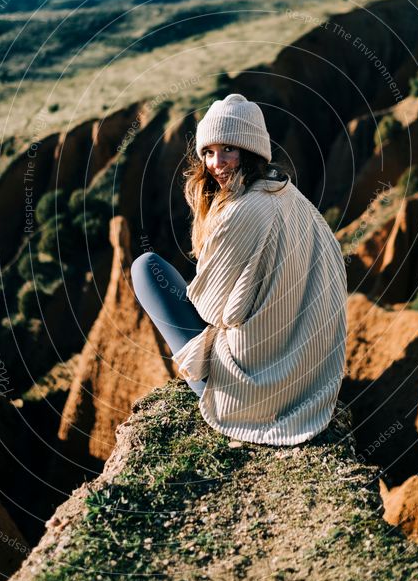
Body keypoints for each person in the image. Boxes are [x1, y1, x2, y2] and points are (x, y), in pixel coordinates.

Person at [130, 92, 348, 446]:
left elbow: (210, 309)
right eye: (209, 152)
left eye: (228, 149)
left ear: (250, 151)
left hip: (257, 385)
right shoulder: (291, 197)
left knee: (147, 269)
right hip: (307, 373)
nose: (217, 163)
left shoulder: (242, 211)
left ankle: (212, 389)